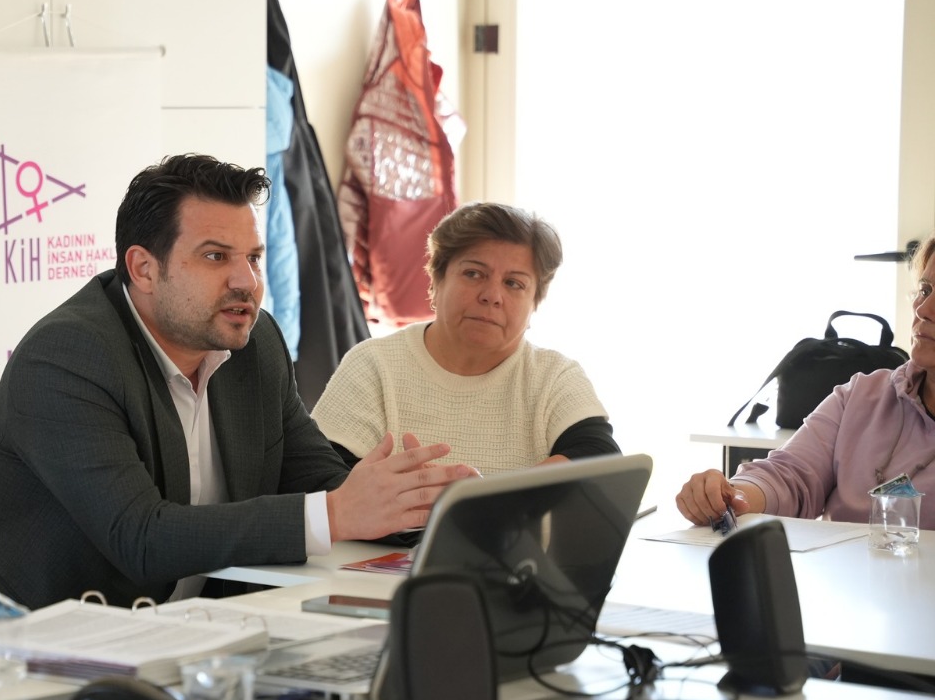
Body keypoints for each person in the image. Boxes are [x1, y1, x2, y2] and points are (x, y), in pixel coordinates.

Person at [0, 154, 477, 609]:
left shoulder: (253, 342)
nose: (247, 281)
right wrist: (336, 513)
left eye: (253, 258)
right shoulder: (67, 358)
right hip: (9, 648)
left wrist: (416, 504)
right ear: (143, 269)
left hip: (183, 637)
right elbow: (141, 538)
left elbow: (316, 478)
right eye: (216, 257)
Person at [312, 202, 618, 476]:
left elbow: (601, 463)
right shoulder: (372, 364)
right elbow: (321, 477)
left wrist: (477, 500)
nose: (492, 296)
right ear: (436, 281)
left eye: (513, 283)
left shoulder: (555, 376)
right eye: (473, 274)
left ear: (534, 302)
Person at [677, 232, 935, 528]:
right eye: (925, 290)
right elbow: (791, 475)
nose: (923, 310)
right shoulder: (862, 395)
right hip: (842, 560)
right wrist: (732, 495)